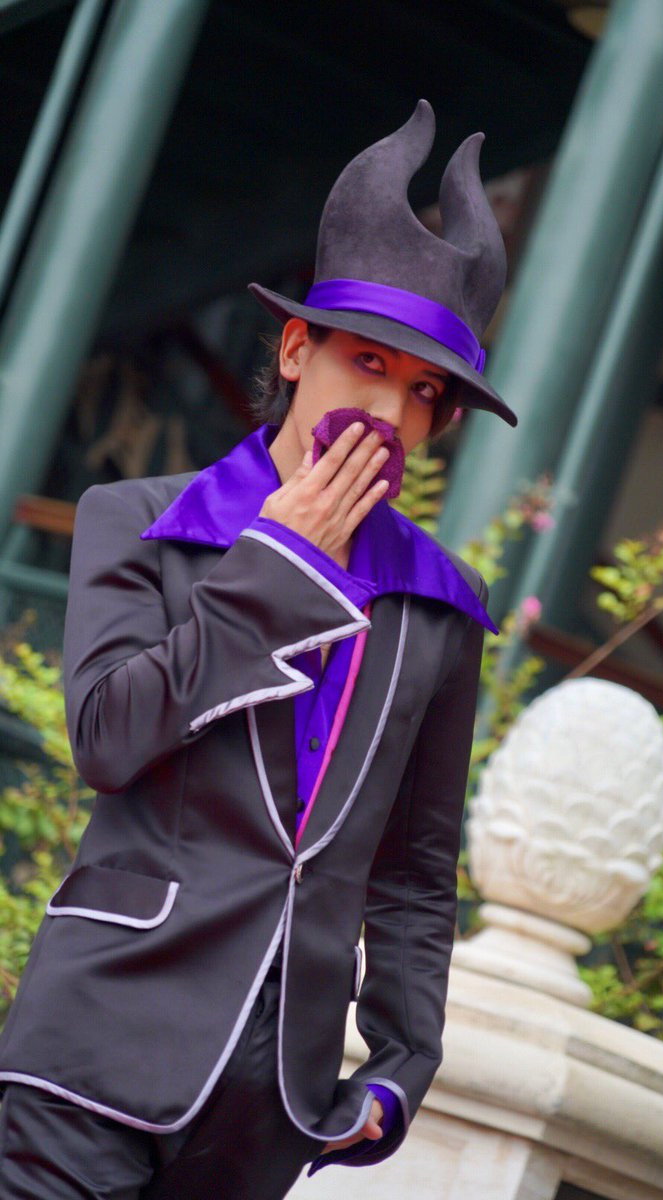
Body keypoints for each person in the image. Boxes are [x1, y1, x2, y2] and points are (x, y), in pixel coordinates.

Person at [0, 99, 516, 1199]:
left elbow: (416, 871)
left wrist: (400, 1069)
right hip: (92, 1053)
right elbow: (106, 739)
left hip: (267, 1113)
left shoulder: (441, 604)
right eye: (367, 361)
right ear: (294, 348)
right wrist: (278, 563)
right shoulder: (137, 520)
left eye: (424, 391)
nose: (389, 410)